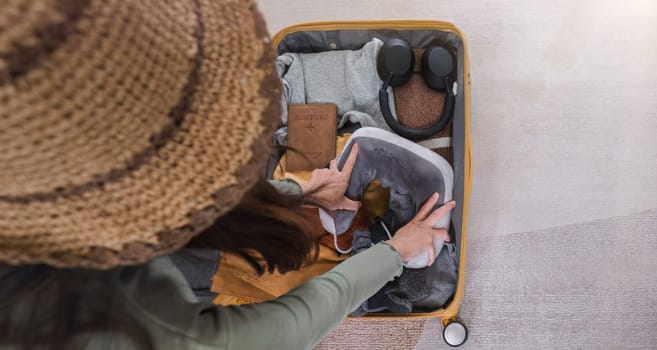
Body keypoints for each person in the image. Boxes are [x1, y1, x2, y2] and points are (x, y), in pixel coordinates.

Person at [0, 0, 455, 349]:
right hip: (185, 298)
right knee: (283, 277)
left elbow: (192, 200)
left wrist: (294, 192)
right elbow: (285, 329)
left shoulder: (37, 146)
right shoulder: (132, 320)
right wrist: (393, 255)